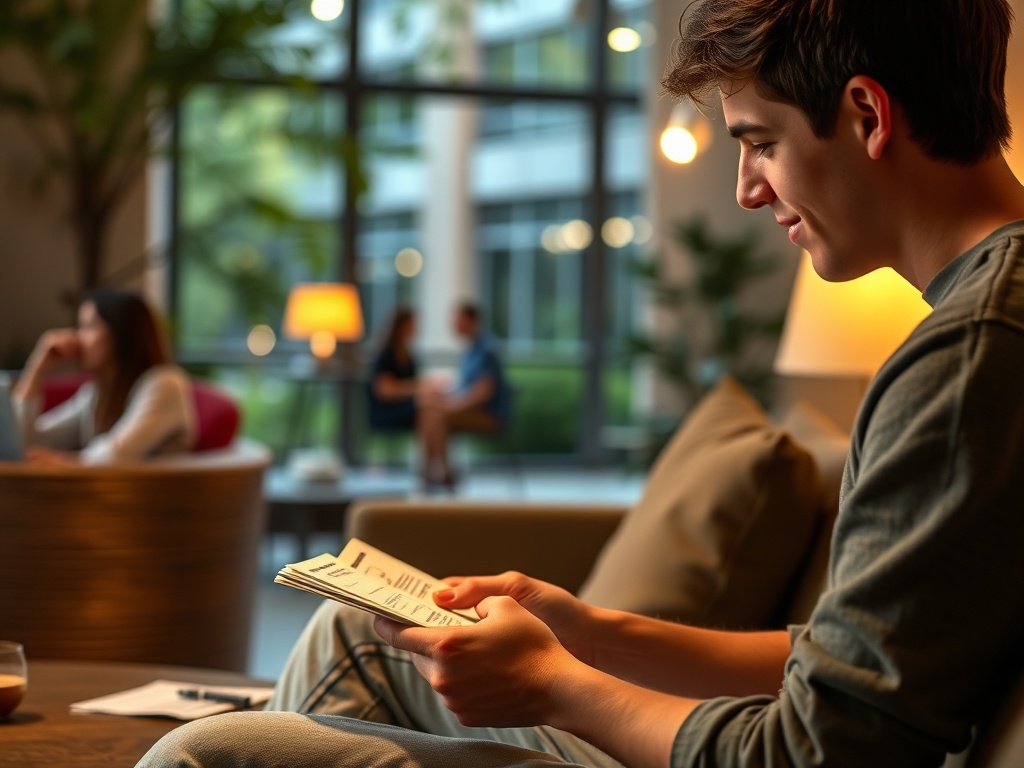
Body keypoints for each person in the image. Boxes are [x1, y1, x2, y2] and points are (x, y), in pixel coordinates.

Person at [136, 1, 1024, 766]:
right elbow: (849, 664)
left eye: (761, 143)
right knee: (354, 632)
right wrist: (591, 634)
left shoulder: (970, 354)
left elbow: (819, 750)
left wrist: (555, 686)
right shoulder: (983, 325)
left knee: (205, 753)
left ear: (867, 114)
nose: (749, 189)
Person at [13, 289, 196, 464]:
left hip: (157, 496)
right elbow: (27, 441)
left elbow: (118, 453)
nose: (77, 337)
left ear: (121, 332)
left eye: (88, 326)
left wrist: (62, 461)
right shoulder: (95, 393)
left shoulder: (164, 383)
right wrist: (38, 367)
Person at [416, 300, 509, 488]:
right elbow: (466, 389)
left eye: (457, 319)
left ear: (470, 320)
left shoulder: (486, 350)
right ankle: (431, 474)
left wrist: (449, 406)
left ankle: (440, 475)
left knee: (437, 416)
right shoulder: (470, 350)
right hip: (471, 410)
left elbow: (482, 395)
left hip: (489, 415)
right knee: (427, 409)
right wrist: (443, 394)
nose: (453, 323)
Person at [366, 306, 420, 432]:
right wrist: (418, 389)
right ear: (400, 326)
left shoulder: (407, 355)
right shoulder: (387, 355)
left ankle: (433, 452)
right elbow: (385, 391)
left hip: (404, 406)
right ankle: (433, 452)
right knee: (426, 411)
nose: (415, 328)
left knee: (432, 411)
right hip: (386, 411)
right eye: (411, 324)